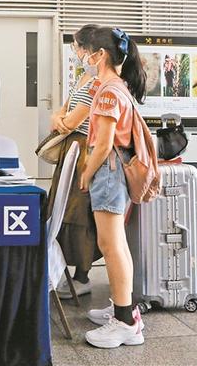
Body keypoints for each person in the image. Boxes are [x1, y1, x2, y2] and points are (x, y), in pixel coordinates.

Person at [78, 26, 147, 348]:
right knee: (117, 244)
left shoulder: (109, 92)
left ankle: (124, 322)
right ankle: (126, 309)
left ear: (100, 55)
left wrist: (86, 173)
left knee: (111, 246)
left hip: (108, 170)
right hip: (114, 170)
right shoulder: (116, 87)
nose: (83, 58)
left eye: (86, 52)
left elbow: (104, 144)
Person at [45, 25, 102, 301]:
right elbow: (61, 113)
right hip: (71, 148)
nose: (76, 52)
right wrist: (60, 120)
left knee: (79, 213)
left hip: (84, 152)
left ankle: (82, 276)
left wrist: (61, 121)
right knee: (61, 209)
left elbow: (70, 121)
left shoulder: (97, 82)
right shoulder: (83, 77)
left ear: (90, 50)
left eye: (77, 47)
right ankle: (64, 271)